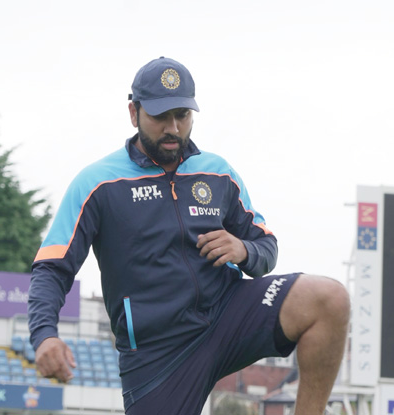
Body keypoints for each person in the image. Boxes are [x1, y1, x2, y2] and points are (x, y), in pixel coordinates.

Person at [28, 57, 350, 415]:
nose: (174, 128)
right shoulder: (97, 183)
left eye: (182, 115)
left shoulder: (218, 172)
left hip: (229, 314)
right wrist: (45, 335)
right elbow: (52, 269)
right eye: (161, 116)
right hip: (159, 353)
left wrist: (243, 250)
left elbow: (266, 248)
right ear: (133, 113)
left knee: (328, 299)